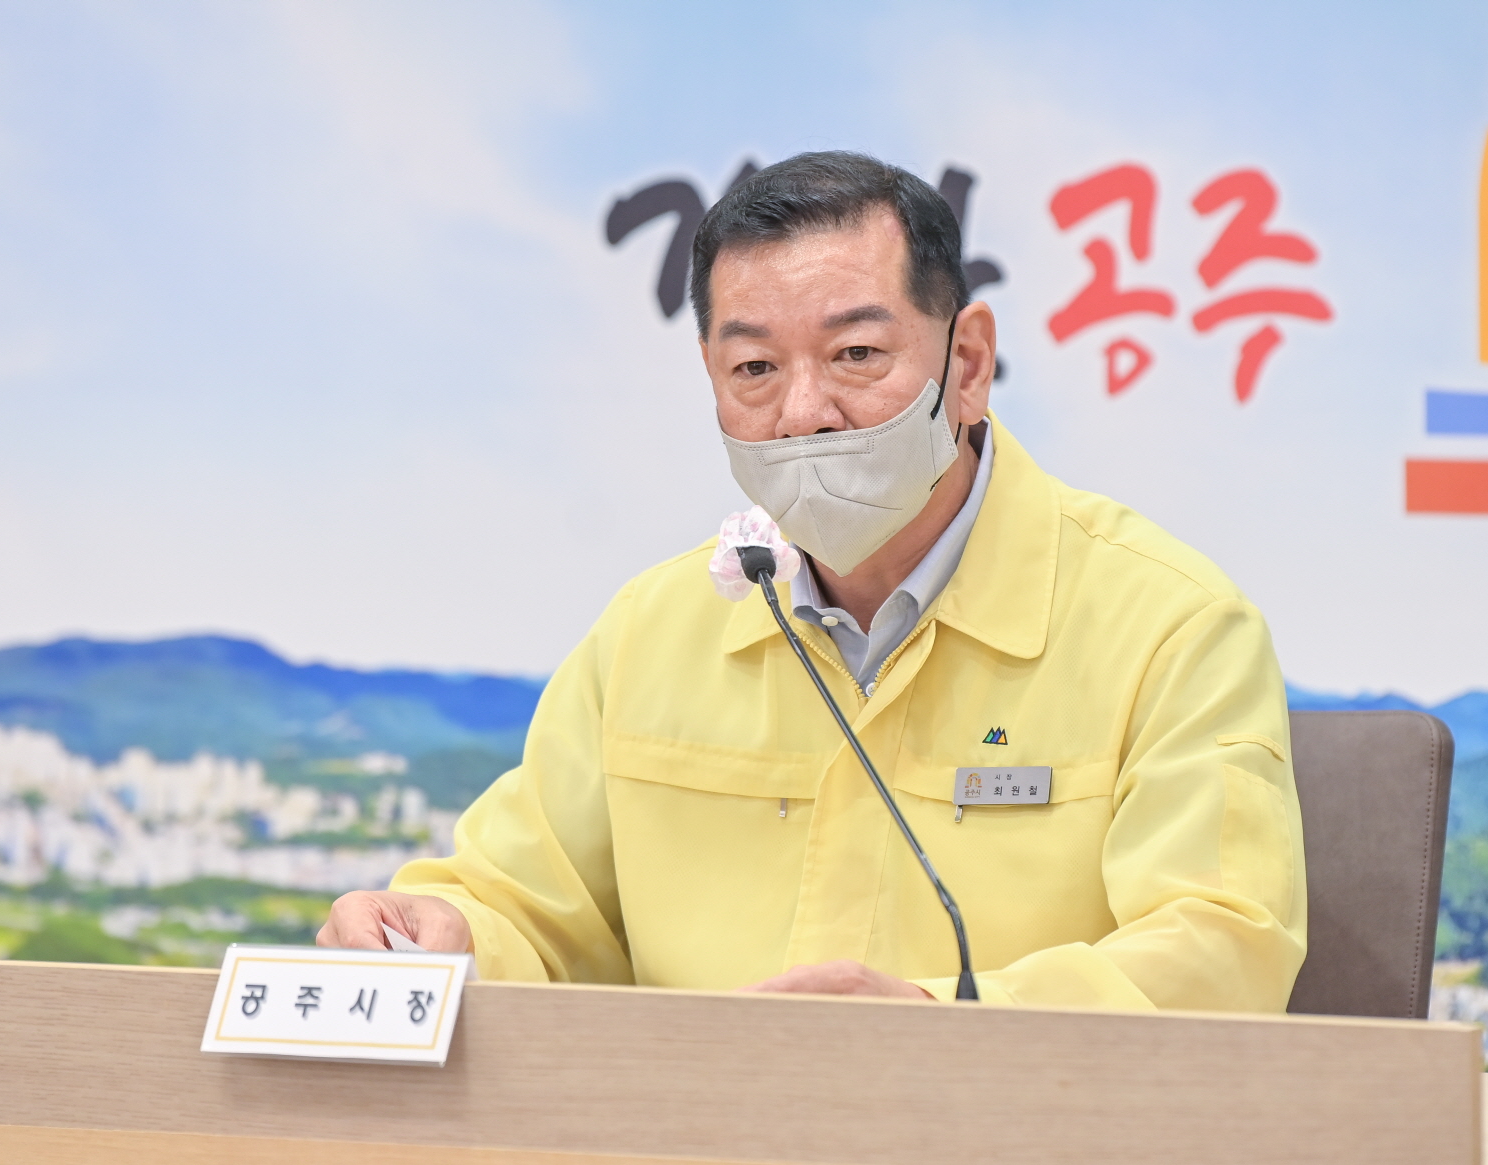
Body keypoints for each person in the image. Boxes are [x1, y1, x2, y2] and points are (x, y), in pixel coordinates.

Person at [319, 151, 1307, 1009]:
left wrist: (940, 1027)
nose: (802, 413)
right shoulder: (651, 631)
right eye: (754, 369)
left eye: (855, 354)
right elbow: (528, 908)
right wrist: (446, 933)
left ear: (967, 364)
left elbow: (1222, 951)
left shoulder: (1169, 625)